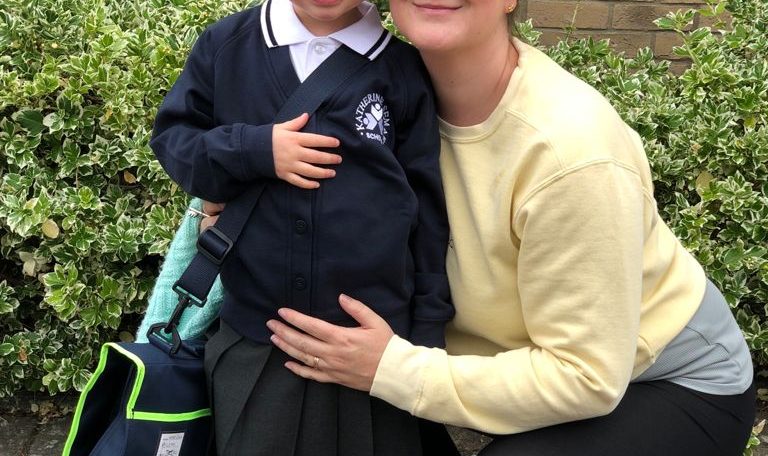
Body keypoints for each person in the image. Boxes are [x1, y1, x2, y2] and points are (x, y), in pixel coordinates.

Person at [263, 0, 757, 454]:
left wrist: (392, 370)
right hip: (513, 359)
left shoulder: (569, 151)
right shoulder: (379, 97)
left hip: (666, 379)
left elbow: (585, 376)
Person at [146, 0, 454, 453]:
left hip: (374, 345)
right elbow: (175, 143)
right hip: (258, 341)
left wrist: (425, 334)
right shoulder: (227, 46)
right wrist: (253, 150)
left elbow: (427, 214)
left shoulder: (403, 69)